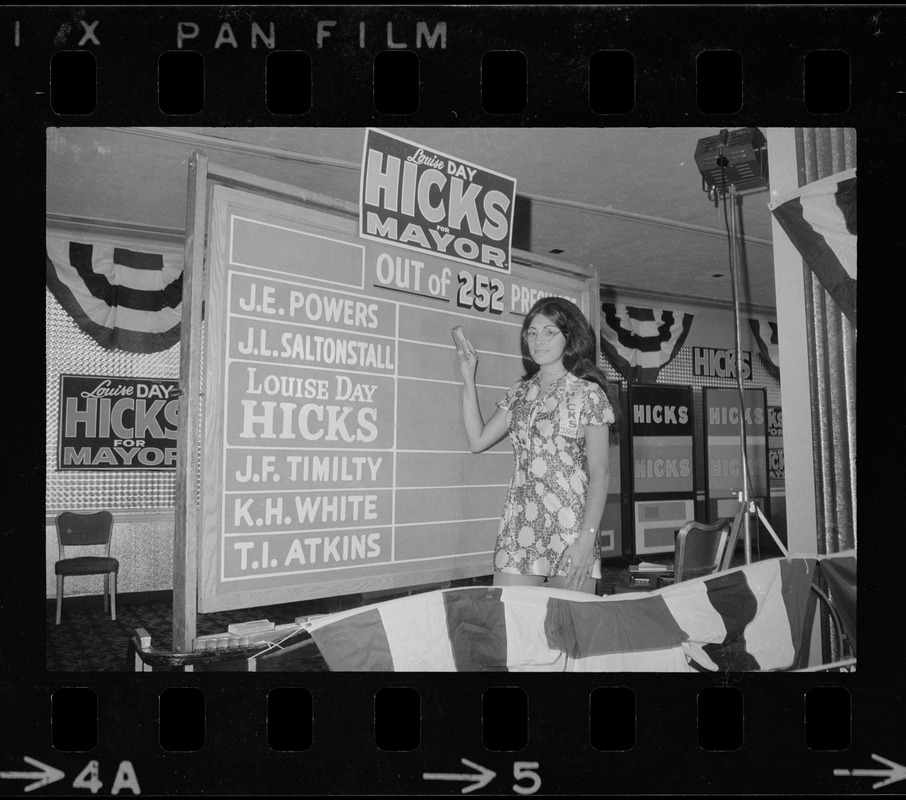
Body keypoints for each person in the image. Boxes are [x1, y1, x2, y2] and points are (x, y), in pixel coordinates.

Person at [458, 297, 618, 594]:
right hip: (519, 525)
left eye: (548, 332)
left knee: (570, 629)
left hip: (571, 526)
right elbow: (477, 440)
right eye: (531, 333)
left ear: (569, 337)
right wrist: (469, 377)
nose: (538, 340)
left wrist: (587, 539)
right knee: (513, 623)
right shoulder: (521, 390)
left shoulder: (588, 393)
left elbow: (600, 473)